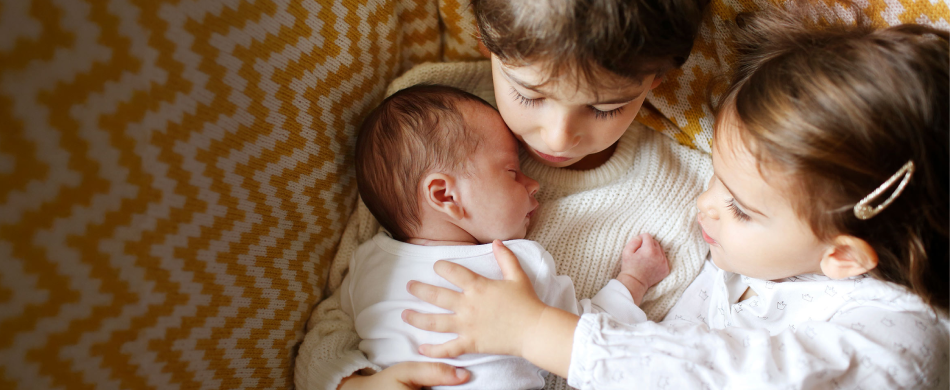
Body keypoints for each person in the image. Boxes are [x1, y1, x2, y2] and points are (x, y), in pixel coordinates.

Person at [400, 9, 949, 388]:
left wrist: (535, 332)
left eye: (739, 207)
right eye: (716, 180)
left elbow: (717, 372)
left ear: (844, 256)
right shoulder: (771, 258)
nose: (703, 206)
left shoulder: (897, 345)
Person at [296, 0, 711, 388]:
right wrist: (356, 382)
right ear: (484, 40)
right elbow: (328, 326)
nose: (558, 137)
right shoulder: (420, 123)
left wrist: (634, 280)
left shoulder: (692, 187)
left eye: (604, 108)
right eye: (529, 94)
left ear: (656, 79)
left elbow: (591, 344)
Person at [344, 84, 669, 389]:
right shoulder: (514, 267)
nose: (534, 183)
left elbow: (330, 334)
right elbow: (587, 339)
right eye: (512, 172)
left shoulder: (366, 264)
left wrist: (349, 382)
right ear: (445, 195)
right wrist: (634, 280)